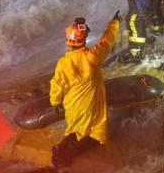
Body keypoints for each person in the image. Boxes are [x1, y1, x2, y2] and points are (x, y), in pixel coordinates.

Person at [49, 12, 121, 168]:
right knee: (88, 135)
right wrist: (114, 23)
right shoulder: (91, 57)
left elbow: (57, 84)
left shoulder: (63, 62)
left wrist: (55, 102)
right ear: (84, 39)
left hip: (71, 105)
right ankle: (61, 155)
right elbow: (107, 41)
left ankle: (62, 151)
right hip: (88, 105)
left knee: (78, 130)